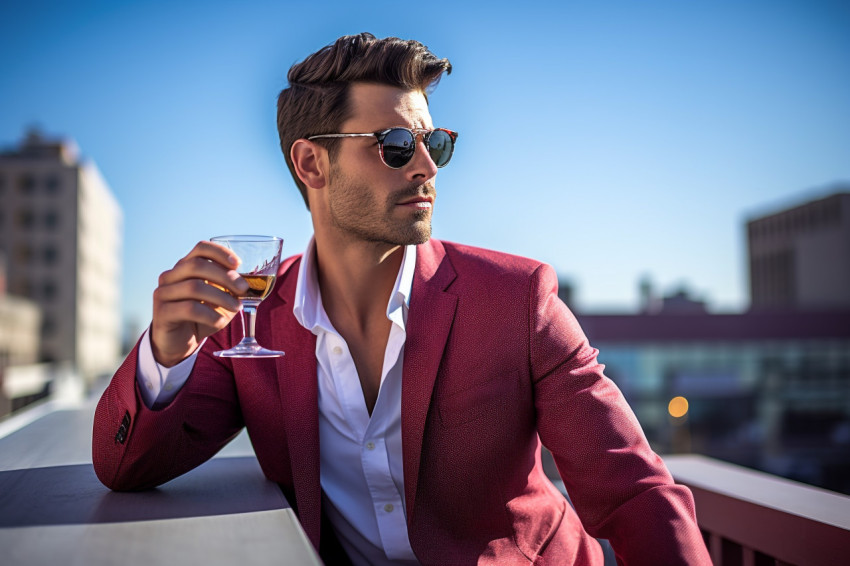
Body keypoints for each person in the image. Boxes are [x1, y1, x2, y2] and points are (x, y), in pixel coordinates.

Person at [93, 33, 711, 565]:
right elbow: (126, 470)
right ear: (312, 163)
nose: (426, 168)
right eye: (394, 144)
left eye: (433, 143)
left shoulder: (520, 298)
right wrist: (165, 356)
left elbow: (633, 490)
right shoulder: (250, 319)